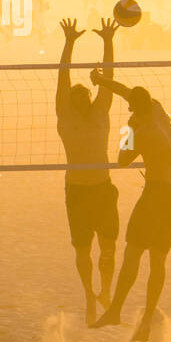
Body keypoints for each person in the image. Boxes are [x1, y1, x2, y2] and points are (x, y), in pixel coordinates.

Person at [89, 71, 171, 341]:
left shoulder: (141, 131)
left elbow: (121, 160)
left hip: (157, 194)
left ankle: (116, 309)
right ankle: (146, 319)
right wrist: (102, 80)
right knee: (158, 260)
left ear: (135, 111)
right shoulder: (157, 110)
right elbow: (125, 90)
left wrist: (129, 130)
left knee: (132, 254)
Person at [55, 18, 119, 323]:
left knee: (108, 248)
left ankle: (105, 291)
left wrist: (108, 40)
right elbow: (62, 77)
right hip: (78, 190)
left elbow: (108, 77)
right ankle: (88, 297)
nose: (80, 99)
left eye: (85, 95)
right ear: (70, 102)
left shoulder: (99, 112)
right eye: (75, 97)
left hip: (102, 187)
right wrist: (69, 42)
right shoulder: (65, 115)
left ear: (90, 98)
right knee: (83, 250)